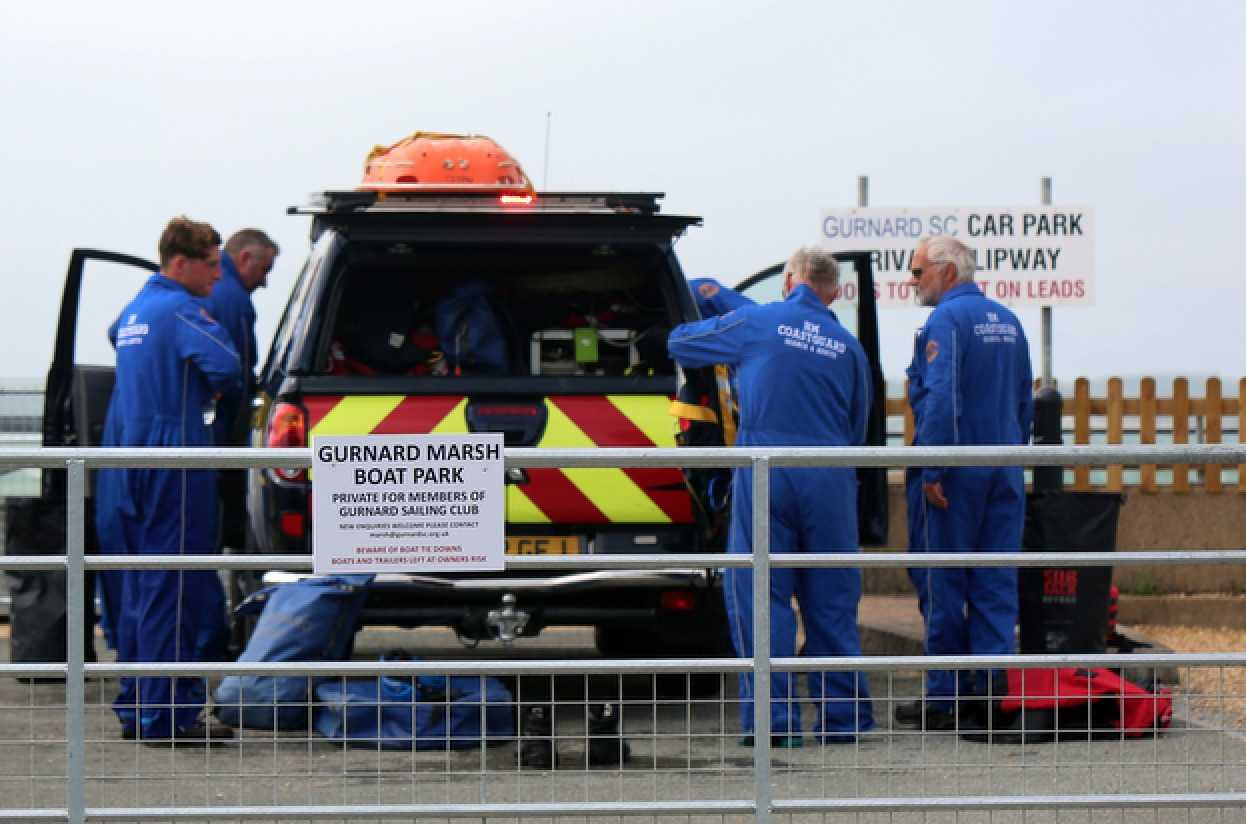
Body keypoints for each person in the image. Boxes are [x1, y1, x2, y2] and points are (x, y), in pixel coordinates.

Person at [667, 246, 874, 745]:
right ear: (834, 291)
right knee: (831, 604)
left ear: (788, 280)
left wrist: (716, 297)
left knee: (761, 597)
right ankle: (843, 724)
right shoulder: (847, 345)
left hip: (767, 473)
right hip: (830, 476)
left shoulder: (759, 323)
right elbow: (859, 422)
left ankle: (774, 728)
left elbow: (682, 344)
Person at [96, 216, 242, 743]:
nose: (218, 278)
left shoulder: (135, 309)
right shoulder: (182, 311)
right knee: (173, 587)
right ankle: (169, 716)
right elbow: (227, 365)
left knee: (133, 589)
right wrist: (216, 398)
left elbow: (116, 336)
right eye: (211, 265)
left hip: (121, 463)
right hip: (171, 462)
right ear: (181, 263)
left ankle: (137, 706)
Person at [896, 235, 1034, 732]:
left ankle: (945, 700)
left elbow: (940, 397)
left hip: (955, 477)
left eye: (917, 273)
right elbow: (1024, 400)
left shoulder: (946, 321)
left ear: (946, 272)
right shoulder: (1010, 322)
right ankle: (992, 696)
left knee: (942, 583)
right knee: (995, 583)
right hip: (1003, 468)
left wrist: (933, 468)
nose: (911, 282)